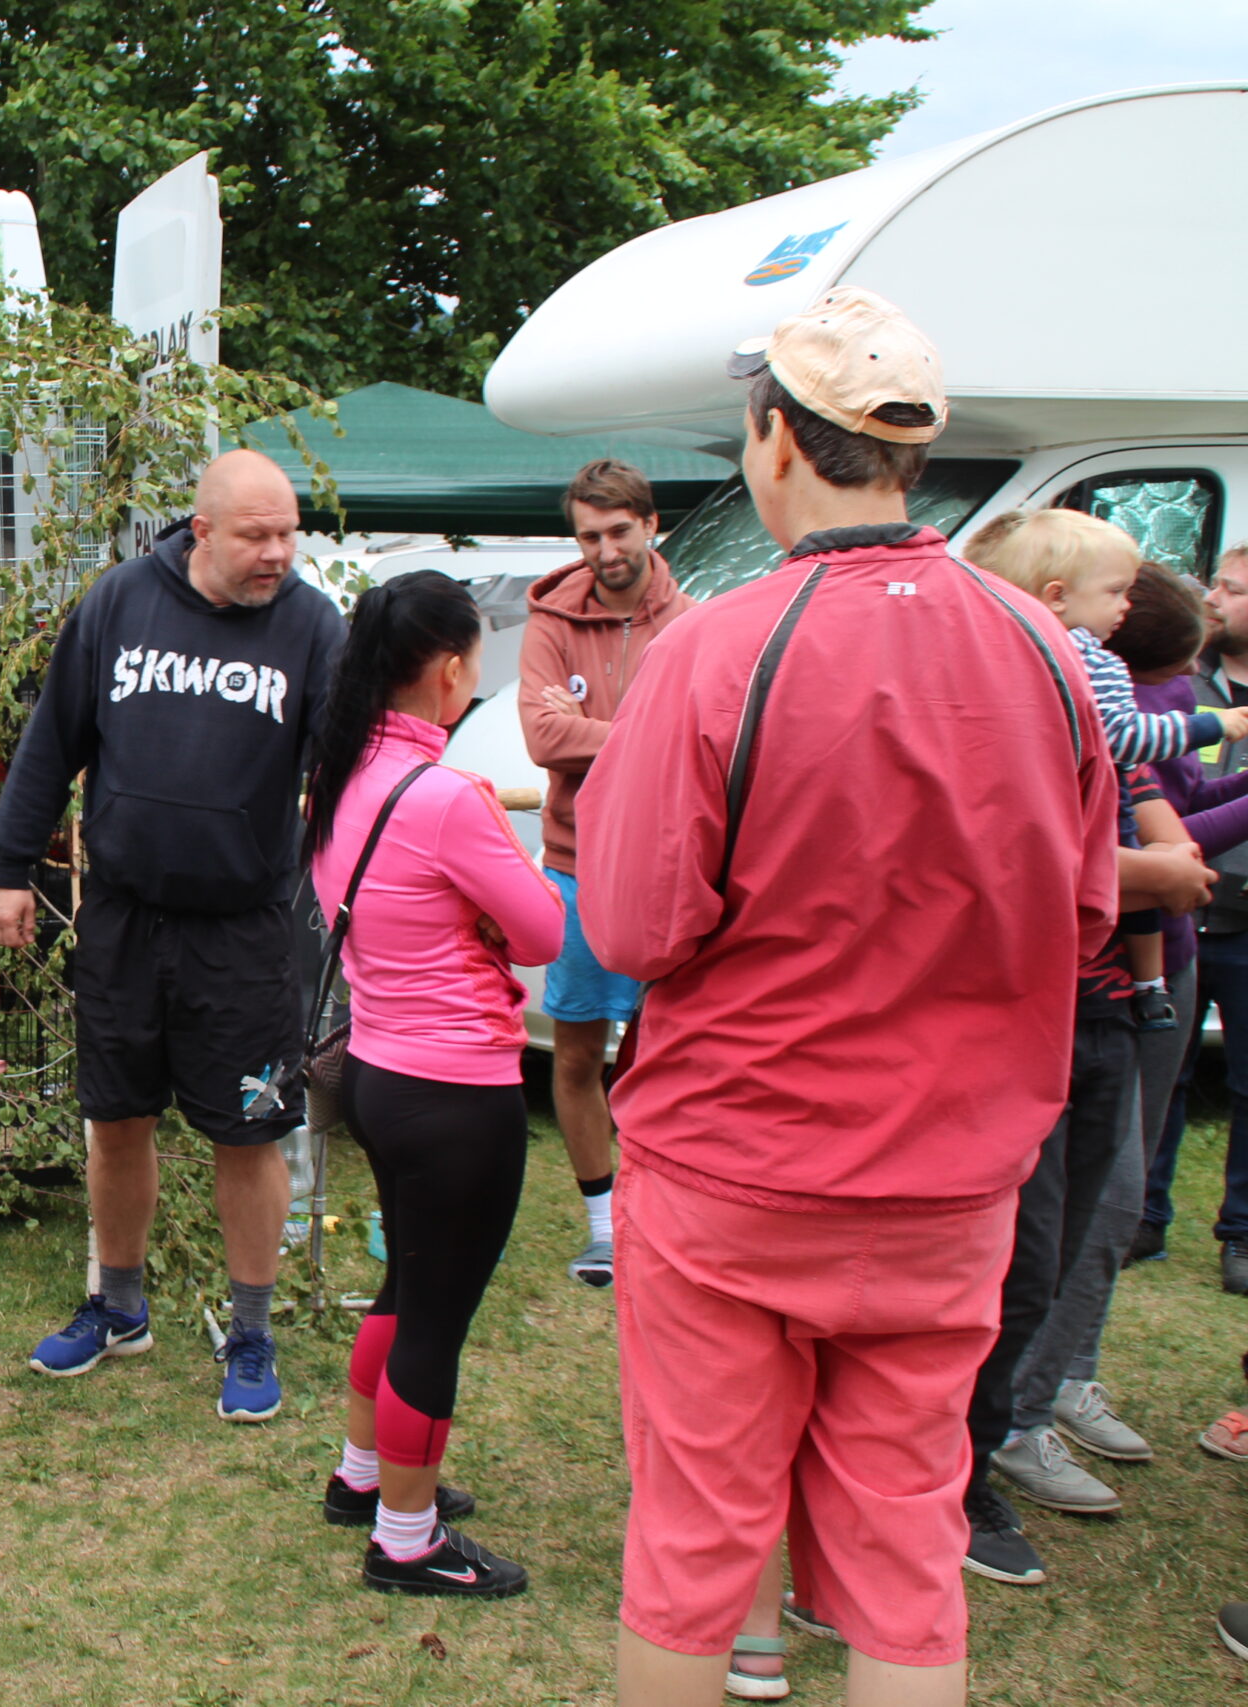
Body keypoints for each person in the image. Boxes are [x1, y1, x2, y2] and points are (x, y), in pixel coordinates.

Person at [579, 286, 1124, 1706]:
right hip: (950, 1185)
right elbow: (1081, 913)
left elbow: (632, 925)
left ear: (773, 438)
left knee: (697, 1541)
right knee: (905, 1556)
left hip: (737, 1171)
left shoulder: (716, 648)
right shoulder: (1042, 647)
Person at [0, 448, 344, 1422]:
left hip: (246, 935)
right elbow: (53, 738)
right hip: (123, 924)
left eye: (288, 535)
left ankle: (252, 1330)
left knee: (249, 1131)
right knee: (115, 1118)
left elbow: (349, 765)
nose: (277, 554)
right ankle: (118, 1305)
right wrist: (8, 868)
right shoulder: (119, 603)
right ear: (203, 529)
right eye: (257, 536)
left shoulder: (313, 627)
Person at [306, 572, 562, 1597]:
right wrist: (493, 895)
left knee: (406, 1287)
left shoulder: (342, 776)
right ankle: (406, 1540)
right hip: (456, 1090)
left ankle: (362, 1475)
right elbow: (542, 930)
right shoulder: (449, 797)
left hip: (378, 1070)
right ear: (452, 668)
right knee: (432, 1318)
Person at [997, 563, 1248, 1518]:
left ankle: (1057, 1382)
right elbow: (1104, 853)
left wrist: (1168, 861)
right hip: (1079, 990)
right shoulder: (1101, 712)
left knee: (1104, 1204)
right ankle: (1016, 1412)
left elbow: (1164, 825)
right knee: (1071, 1216)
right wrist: (1164, 863)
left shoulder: (1131, 721)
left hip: (1141, 972)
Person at [516, 458, 693, 1287]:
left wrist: (590, 727)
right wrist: (647, 734)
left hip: (670, 865)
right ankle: (602, 1227)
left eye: (619, 531)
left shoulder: (693, 621)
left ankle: (665, 1218)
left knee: (676, 1054)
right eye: (589, 535)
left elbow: (704, 739)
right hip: (577, 862)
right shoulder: (550, 619)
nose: (605, 550)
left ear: (651, 525)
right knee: (576, 1051)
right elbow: (542, 739)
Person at [969, 510, 1248, 1031]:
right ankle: (1150, 986)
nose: (1191, 673)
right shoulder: (1096, 671)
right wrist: (1166, 872)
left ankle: (1150, 985)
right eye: (1117, 591)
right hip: (1084, 977)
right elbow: (1127, 765)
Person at [1142, 542, 1248, 1291]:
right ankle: (1143, 1215)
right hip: (1178, 908)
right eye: (1216, 586)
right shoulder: (1171, 684)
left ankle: (1240, 1233)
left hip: (1239, 915)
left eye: (1232, 589)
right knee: (1161, 1075)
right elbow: (1171, 826)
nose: (1215, 599)